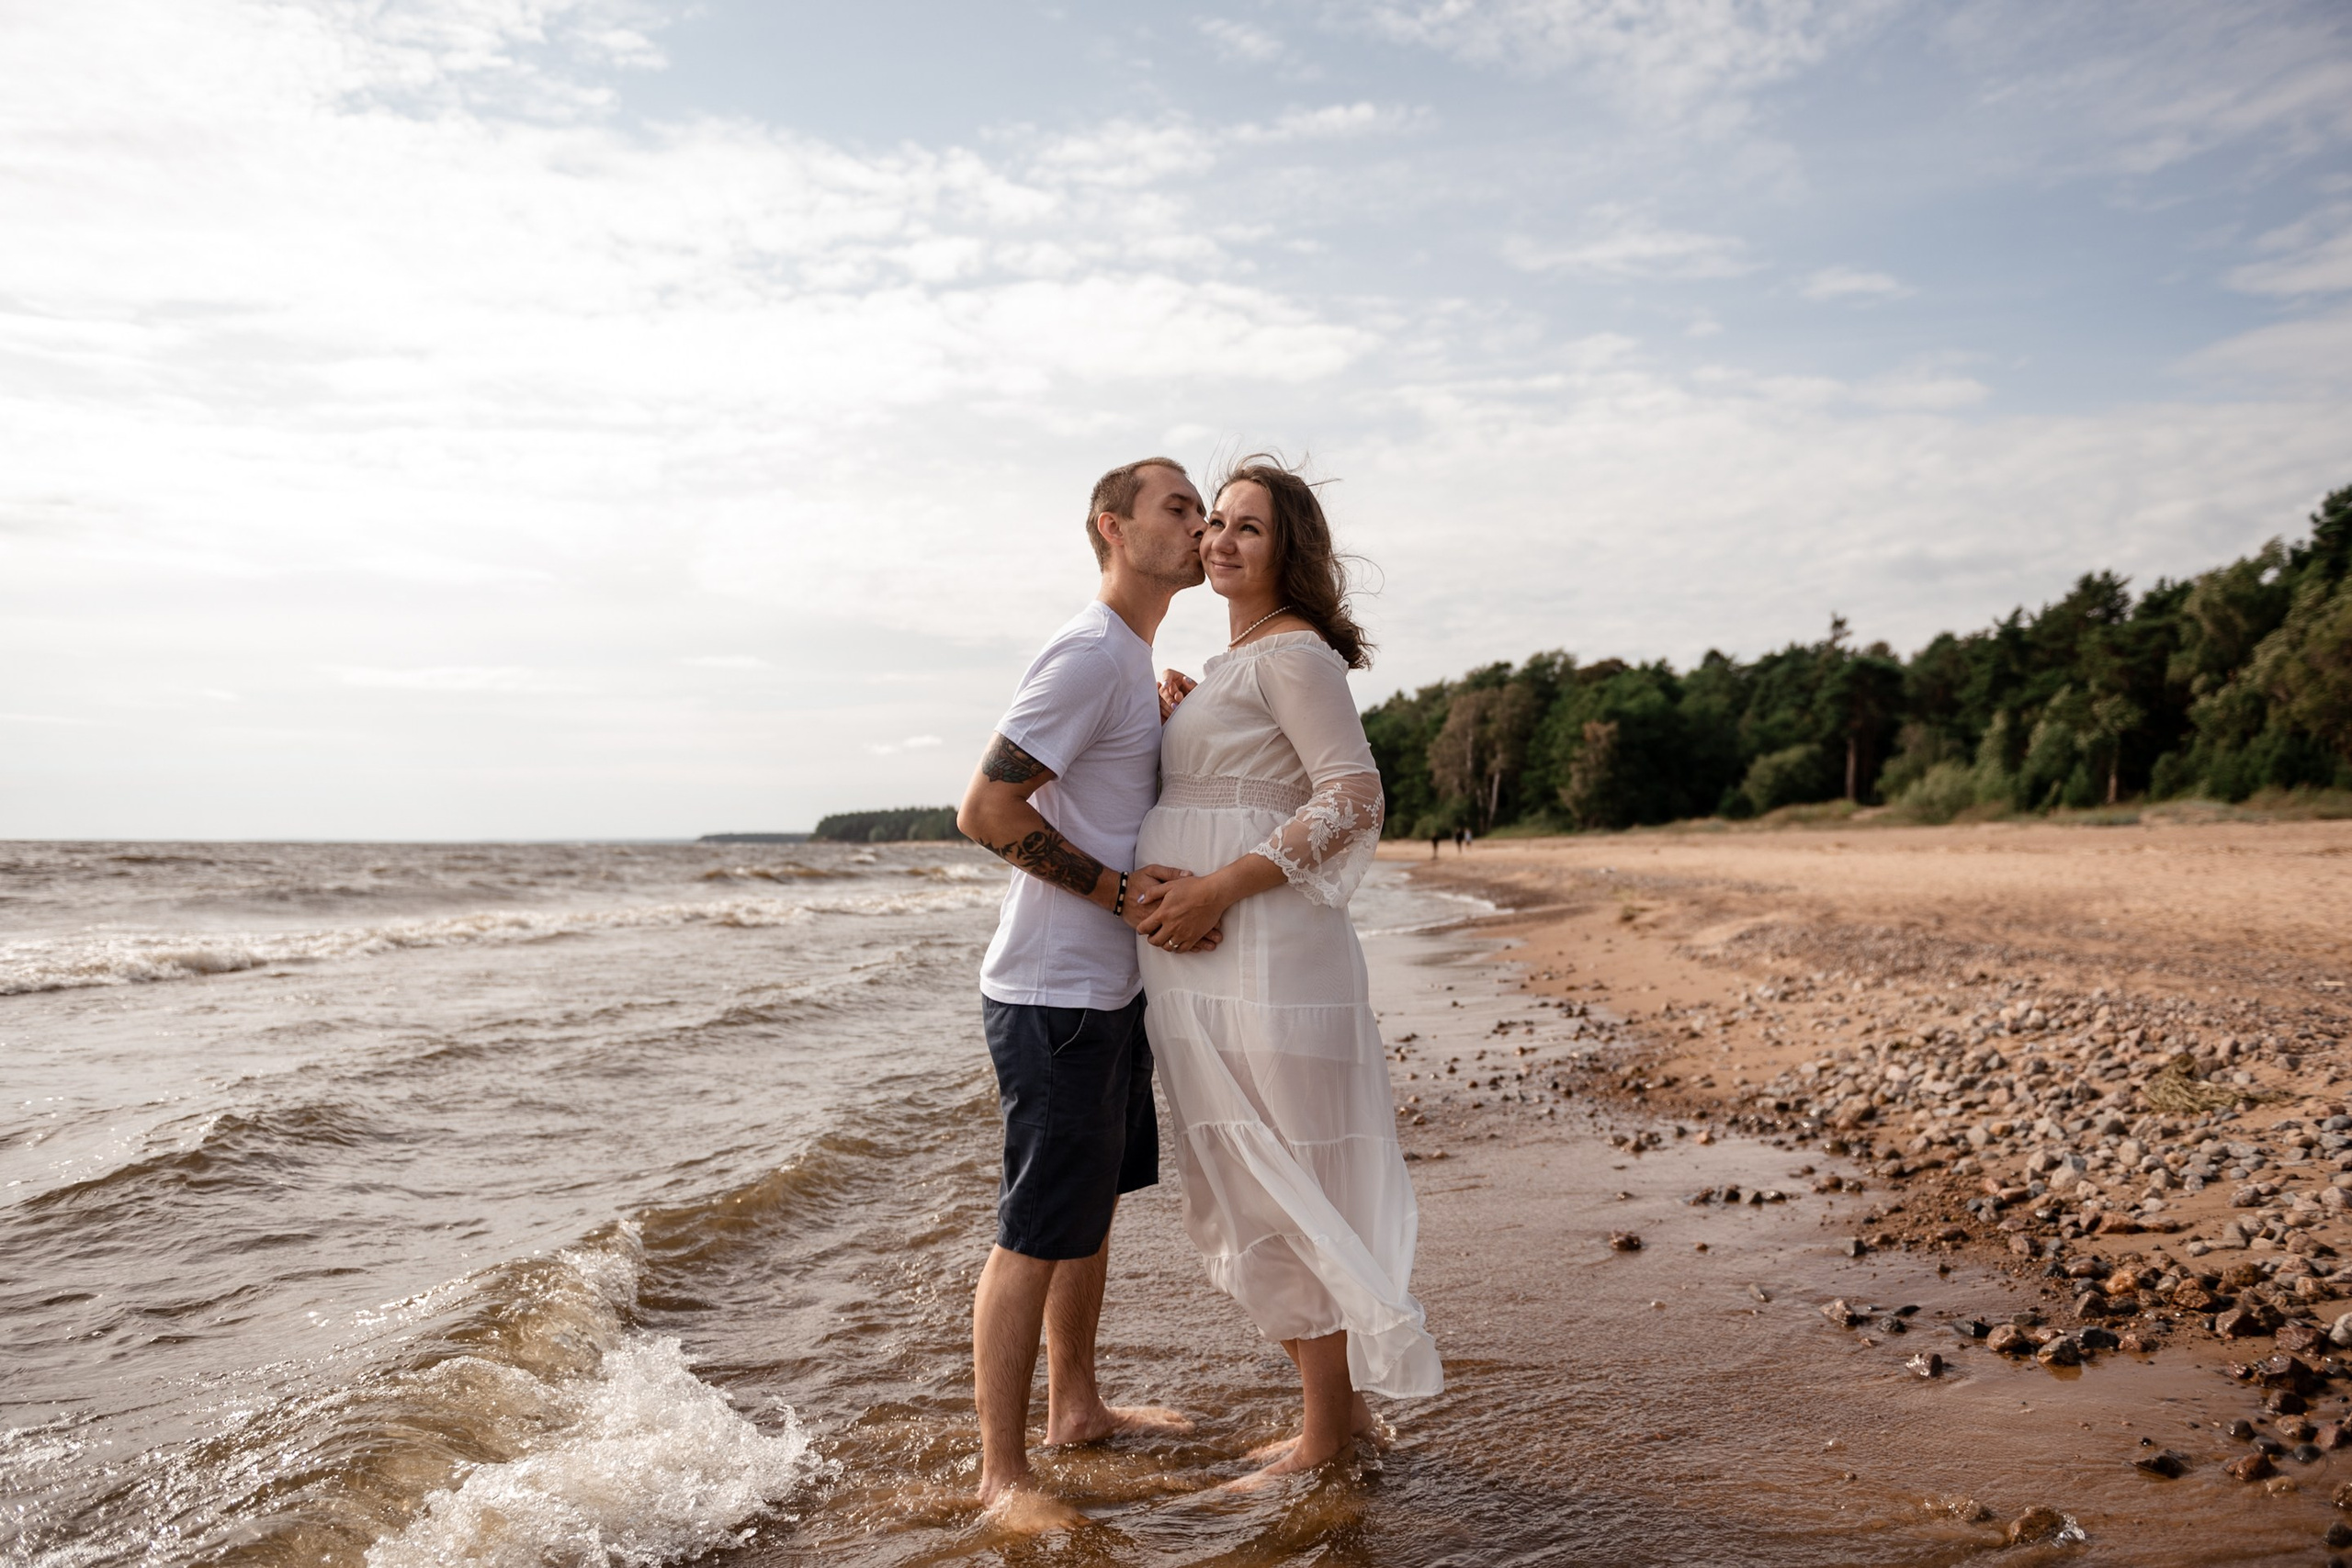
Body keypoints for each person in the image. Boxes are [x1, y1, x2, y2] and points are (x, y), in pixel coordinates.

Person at [1128, 456, 1442, 1483]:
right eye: (1214, 521)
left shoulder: (1293, 653)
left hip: (1260, 950)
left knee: (1286, 1173)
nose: (1219, 538)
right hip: (1215, 964)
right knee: (1263, 1171)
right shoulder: (1238, 660)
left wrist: (1216, 889)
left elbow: (1353, 798)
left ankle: (1320, 1437)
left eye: (1247, 528)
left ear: (1289, 550)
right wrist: (1184, 704)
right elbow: (1247, 774)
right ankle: (1337, 1416)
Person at [953, 457, 1212, 1528]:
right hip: (1053, 992)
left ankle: (1078, 1410)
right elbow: (985, 810)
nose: (1199, 525)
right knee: (1034, 1226)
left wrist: (1169, 715)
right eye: (1178, 508)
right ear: (1111, 527)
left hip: (1105, 990)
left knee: (1086, 1209)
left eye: (1202, 509)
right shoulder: (1087, 652)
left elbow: (1104, 788)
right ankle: (1000, 1477)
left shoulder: (1129, 662)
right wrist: (1114, 894)